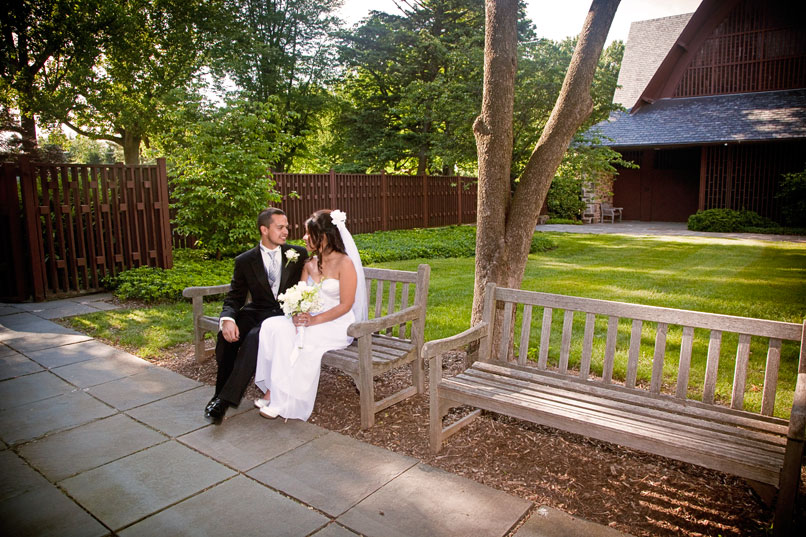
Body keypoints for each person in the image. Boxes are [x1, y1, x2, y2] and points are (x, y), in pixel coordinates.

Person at [253, 209, 367, 421]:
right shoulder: (309, 264)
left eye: (308, 233)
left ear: (322, 236)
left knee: (303, 340)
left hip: (337, 323)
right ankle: (273, 388)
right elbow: (300, 296)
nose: (304, 237)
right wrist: (299, 315)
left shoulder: (345, 263)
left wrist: (313, 320)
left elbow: (346, 305)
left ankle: (283, 400)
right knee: (273, 327)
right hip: (311, 318)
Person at [204, 207, 308, 423]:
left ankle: (223, 402)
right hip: (256, 312)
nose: (286, 231)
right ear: (264, 229)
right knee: (227, 338)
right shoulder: (245, 261)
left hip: (283, 316)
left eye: (286, 227)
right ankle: (218, 394)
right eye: (280, 227)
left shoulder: (298, 255)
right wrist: (227, 320)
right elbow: (235, 296)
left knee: (253, 337)